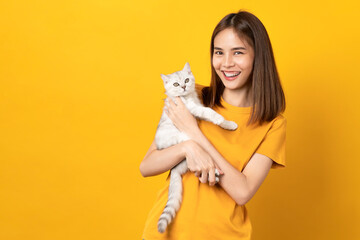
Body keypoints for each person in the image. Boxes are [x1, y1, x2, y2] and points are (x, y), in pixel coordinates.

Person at [140, 10, 286, 240]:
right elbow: (147, 166)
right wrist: (187, 148)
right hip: (166, 233)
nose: (226, 63)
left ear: (259, 56)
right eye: (219, 52)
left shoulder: (272, 124)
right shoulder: (191, 96)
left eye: (238, 52)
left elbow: (242, 191)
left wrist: (194, 134)